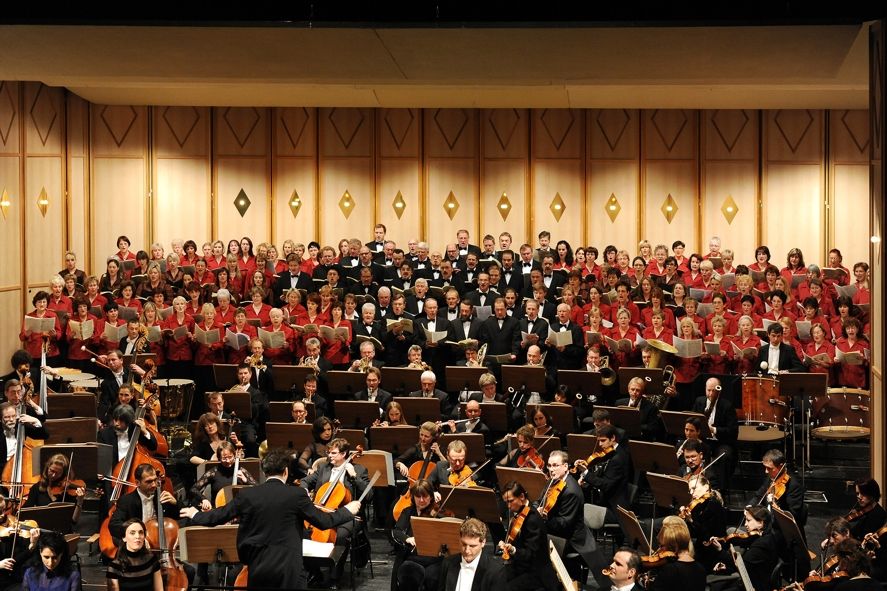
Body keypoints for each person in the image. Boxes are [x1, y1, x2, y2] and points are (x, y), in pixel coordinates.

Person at [181, 448, 361, 591]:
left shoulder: (247, 495)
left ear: (265, 471)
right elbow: (323, 521)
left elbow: (218, 516)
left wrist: (195, 514)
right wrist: (347, 510)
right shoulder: (296, 494)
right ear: (286, 471)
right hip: (289, 568)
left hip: (258, 567)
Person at [498, 481, 558, 590]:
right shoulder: (519, 513)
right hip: (520, 564)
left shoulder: (532, 519)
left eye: (511, 501)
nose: (508, 506)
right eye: (506, 502)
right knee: (493, 578)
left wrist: (513, 550)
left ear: (521, 496)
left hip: (536, 573)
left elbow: (530, 555)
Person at [391, 479, 443, 591]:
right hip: (413, 558)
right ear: (413, 497)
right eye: (418, 497)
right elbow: (397, 531)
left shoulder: (438, 514)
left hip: (434, 560)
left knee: (433, 577)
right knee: (409, 575)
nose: (422, 500)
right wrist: (407, 538)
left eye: (425, 496)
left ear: (431, 496)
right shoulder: (408, 512)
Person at [108, 464, 178, 540]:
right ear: (137, 483)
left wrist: (175, 504)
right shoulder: (126, 500)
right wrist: (134, 532)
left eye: (155, 480)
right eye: (149, 481)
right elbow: (114, 525)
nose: (154, 485)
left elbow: (176, 517)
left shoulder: (162, 497)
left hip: (159, 539)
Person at [437, 517, 506, 590]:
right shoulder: (448, 563)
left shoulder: (496, 570)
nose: (467, 551)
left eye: (472, 546)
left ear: (483, 543)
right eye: (464, 544)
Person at [189, 441, 257, 510]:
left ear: (234, 455)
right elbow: (194, 489)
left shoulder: (241, 470)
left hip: (239, 509)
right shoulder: (213, 472)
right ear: (219, 458)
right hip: (219, 511)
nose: (228, 461)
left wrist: (245, 480)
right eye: (224, 458)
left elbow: (258, 488)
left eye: (230, 457)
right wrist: (204, 499)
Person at [647, 515, 706, 591]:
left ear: (673, 547)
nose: (659, 550)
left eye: (661, 546)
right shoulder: (701, 569)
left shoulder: (670, 570)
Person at [23, 453, 86, 524]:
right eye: (52, 471)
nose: (53, 475)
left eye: (58, 473)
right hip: (42, 530)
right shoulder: (37, 488)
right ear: (47, 468)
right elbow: (25, 512)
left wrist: (80, 501)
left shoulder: (68, 492)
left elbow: (74, 521)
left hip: (63, 531)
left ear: (64, 474)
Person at [106, 518, 162, 591]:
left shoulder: (152, 560)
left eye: (141, 532)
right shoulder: (114, 567)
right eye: (132, 533)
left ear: (144, 536)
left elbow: (159, 589)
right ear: (124, 538)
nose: (137, 536)